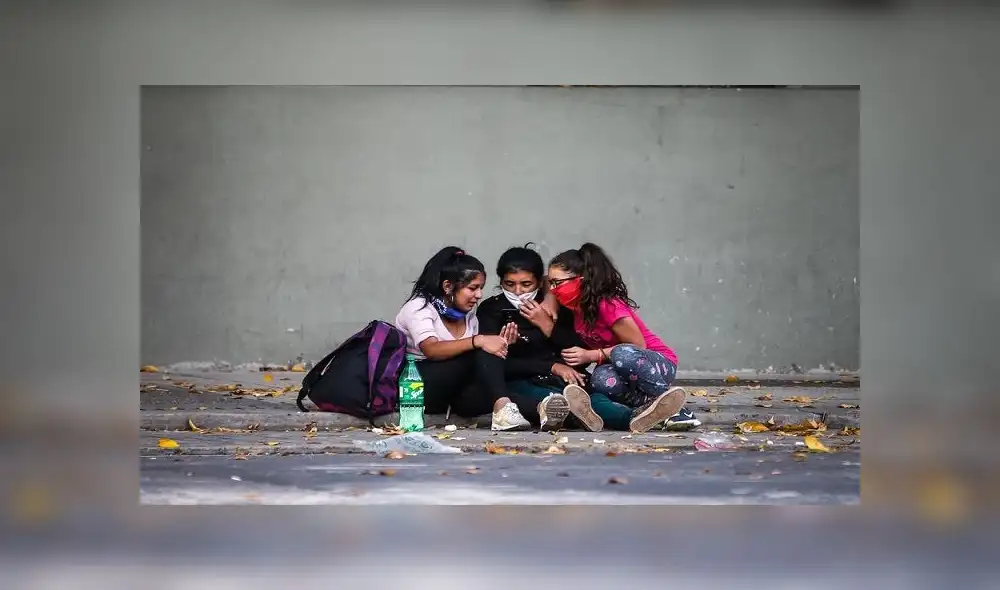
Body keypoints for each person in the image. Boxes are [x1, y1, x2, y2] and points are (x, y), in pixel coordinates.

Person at [546, 243, 701, 433]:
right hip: (620, 369)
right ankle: (650, 410)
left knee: (622, 354)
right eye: (551, 284)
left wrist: (590, 355)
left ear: (581, 280)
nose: (553, 289)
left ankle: (678, 409)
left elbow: (637, 346)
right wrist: (550, 300)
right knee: (600, 380)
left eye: (557, 283)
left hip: (655, 363)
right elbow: (545, 281)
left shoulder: (606, 304)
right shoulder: (576, 307)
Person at [393, 246, 529, 429]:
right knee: (482, 350)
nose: (479, 295)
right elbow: (431, 350)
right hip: (419, 388)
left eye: (480, 288)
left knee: (490, 392)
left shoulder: (467, 314)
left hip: (454, 392)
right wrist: (478, 340)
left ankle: (548, 410)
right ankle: (506, 408)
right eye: (473, 288)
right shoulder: (419, 307)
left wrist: (503, 344)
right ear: (448, 286)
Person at [475, 245, 605, 432]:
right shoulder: (491, 310)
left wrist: (547, 325)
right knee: (558, 402)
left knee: (598, 398)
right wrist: (505, 347)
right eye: (509, 284)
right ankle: (603, 417)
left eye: (526, 284)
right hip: (524, 380)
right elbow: (490, 366)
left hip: (567, 377)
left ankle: (637, 416)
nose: (518, 291)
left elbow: (577, 352)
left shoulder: (556, 306)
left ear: (539, 282)